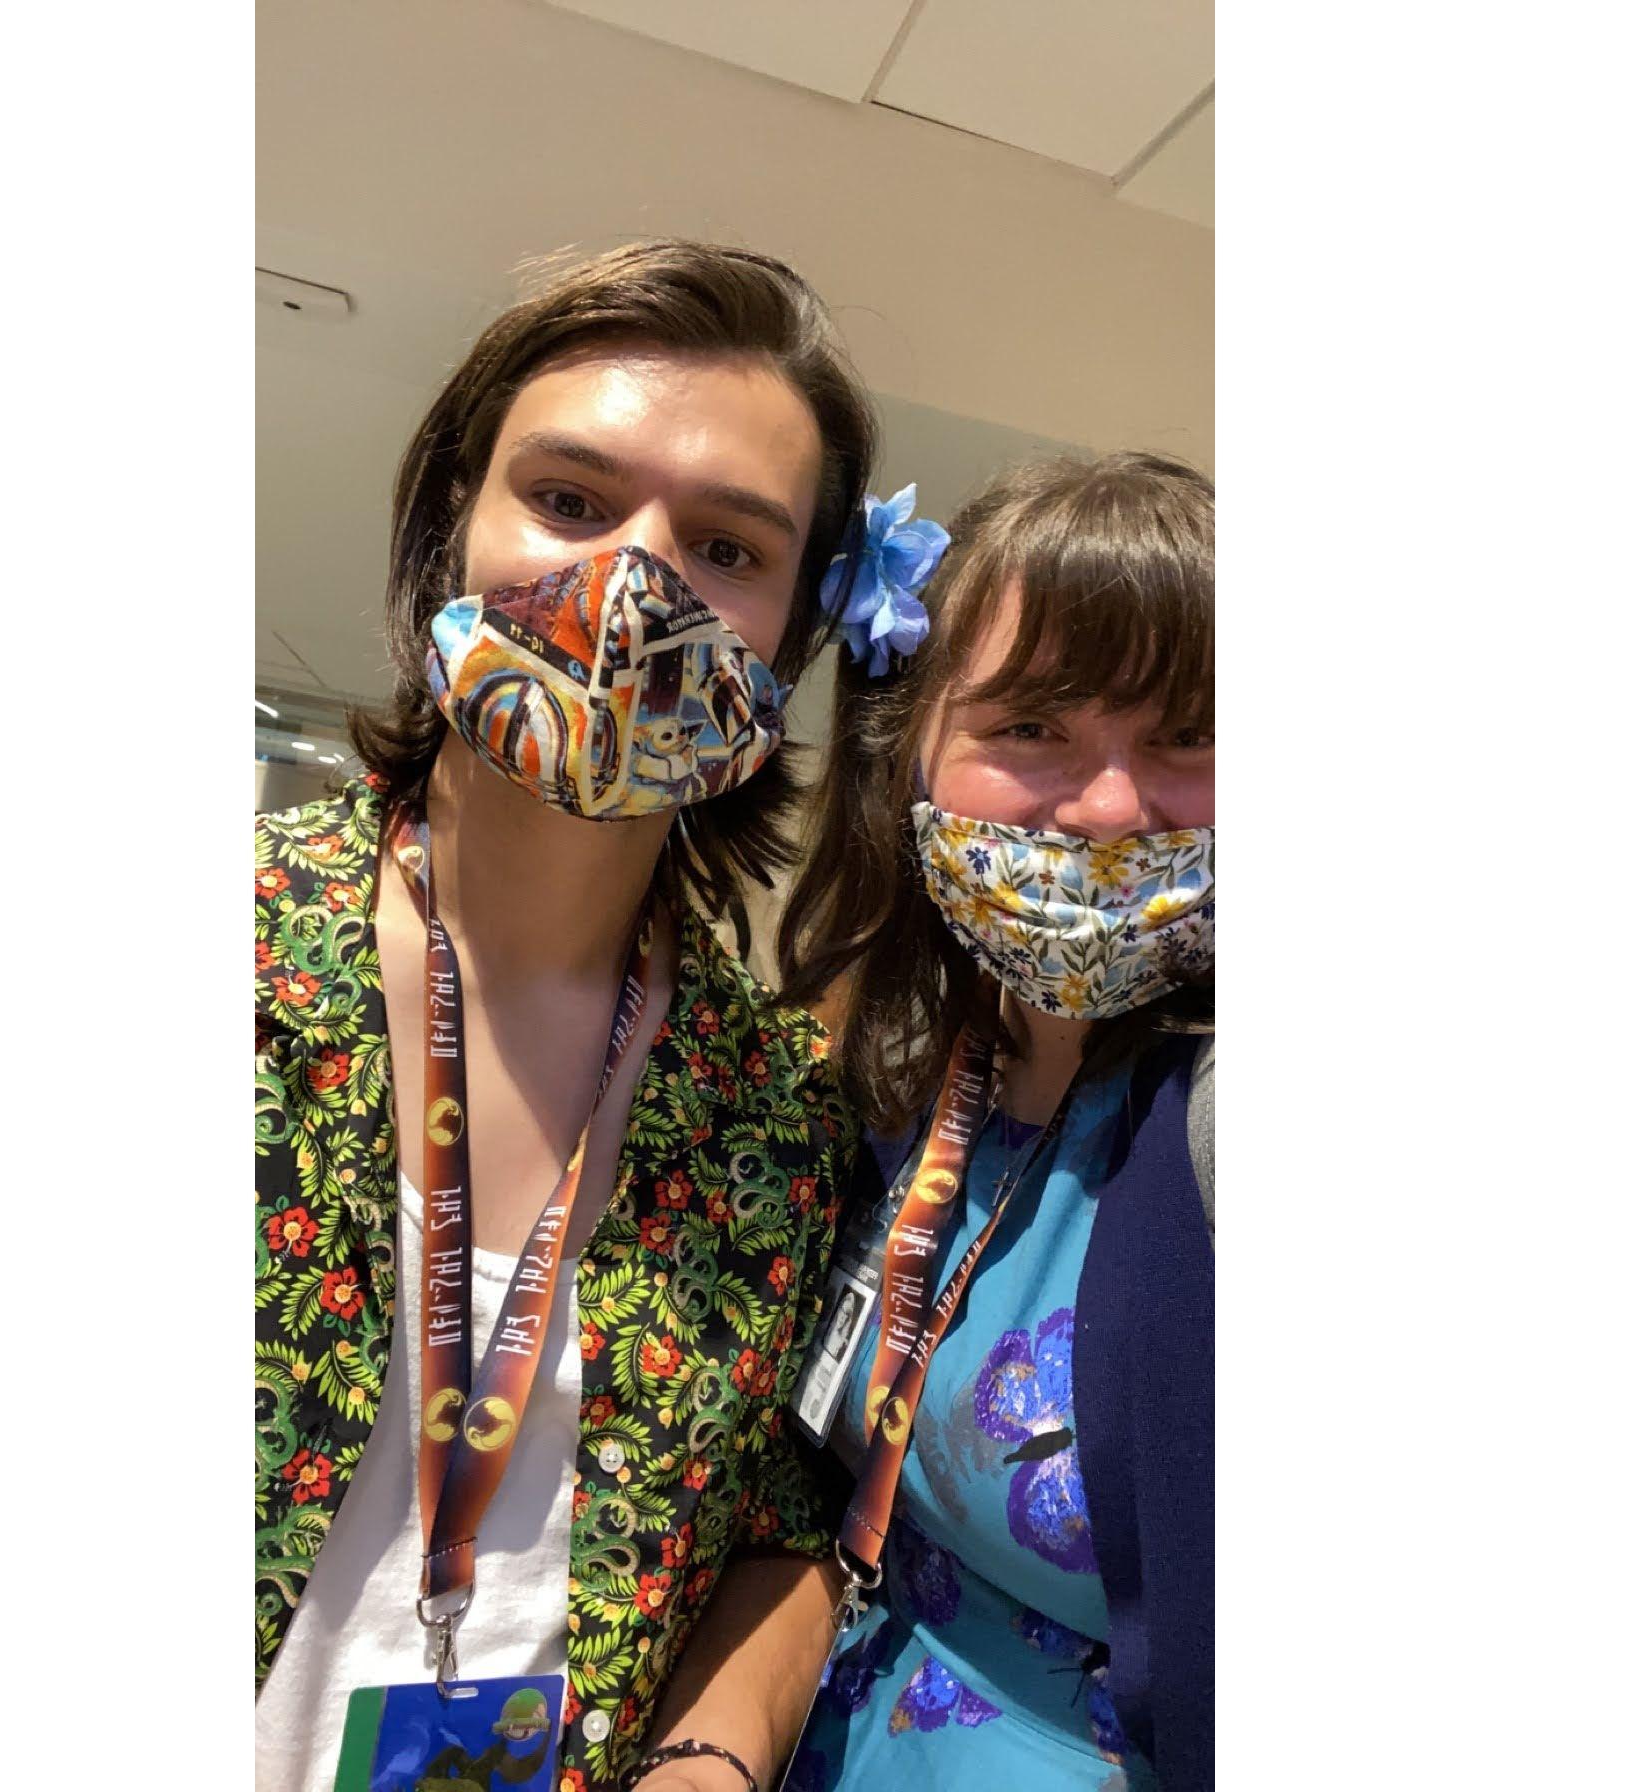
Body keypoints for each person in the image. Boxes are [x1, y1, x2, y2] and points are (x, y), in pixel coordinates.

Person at [254, 240, 918, 1792]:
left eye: (729, 547)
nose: (631, 583)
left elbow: (781, 1520)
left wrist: (712, 1758)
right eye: (567, 499)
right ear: (448, 533)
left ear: (788, 651)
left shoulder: (774, 1120)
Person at [776, 452, 1215, 1791]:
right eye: (1032, 728)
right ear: (906, 753)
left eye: (1190, 736)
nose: (1109, 806)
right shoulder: (907, 1072)